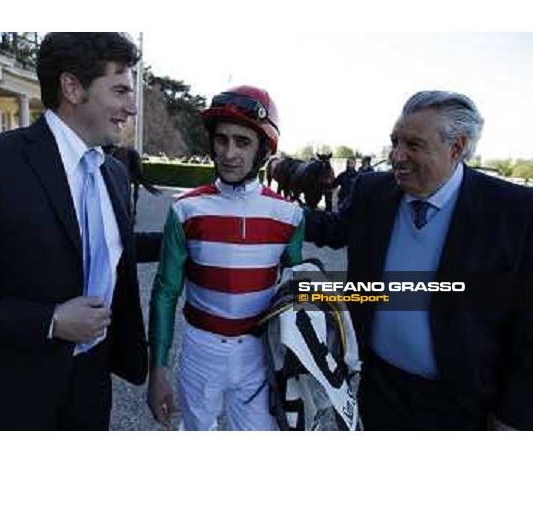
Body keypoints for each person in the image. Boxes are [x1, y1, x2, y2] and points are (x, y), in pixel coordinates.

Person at [0, 33, 148, 430]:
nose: (131, 106)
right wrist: (48, 320)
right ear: (72, 87)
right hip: (4, 396)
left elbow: (107, 253)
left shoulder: (114, 174)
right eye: (120, 90)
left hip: (89, 391)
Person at [304, 90, 533, 430]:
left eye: (413, 145)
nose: (397, 156)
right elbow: (332, 230)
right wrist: (265, 209)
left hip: (463, 402)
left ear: (457, 147)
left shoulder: (516, 211)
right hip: (378, 386)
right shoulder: (372, 191)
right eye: (395, 142)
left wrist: (514, 413)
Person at [147, 85, 305, 430]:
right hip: (200, 350)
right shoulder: (186, 208)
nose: (229, 153)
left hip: (258, 353)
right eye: (221, 140)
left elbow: (296, 296)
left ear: (263, 149)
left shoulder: (290, 215)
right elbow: (165, 291)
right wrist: (156, 370)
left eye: (242, 142)